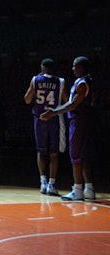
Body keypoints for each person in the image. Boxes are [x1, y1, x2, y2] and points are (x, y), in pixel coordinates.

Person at [40, 56, 96, 201]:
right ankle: (89, 188)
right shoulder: (86, 81)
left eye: (75, 66)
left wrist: (54, 112)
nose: (73, 69)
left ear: (82, 67)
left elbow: (72, 105)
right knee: (83, 156)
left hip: (79, 122)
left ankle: (77, 189)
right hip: (84, 121)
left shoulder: (83, 84)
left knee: (76, 156)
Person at [24, 58, 68, 195]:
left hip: (39, 119)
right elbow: (68, 101)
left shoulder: (35, 80)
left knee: (41, 151)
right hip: (53, 119)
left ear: (42, 67)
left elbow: (27, 99)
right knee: (54, 153)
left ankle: (42, 182)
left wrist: (35, 85)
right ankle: (52, 184)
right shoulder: (60, 81)